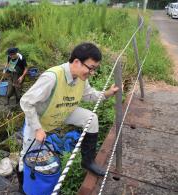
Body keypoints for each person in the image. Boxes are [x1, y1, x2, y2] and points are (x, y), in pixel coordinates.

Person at [19, 43, 119, 179]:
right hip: (40, 120)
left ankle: (88, 161)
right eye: (91, 68)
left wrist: (108, 93)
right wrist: (37, 129)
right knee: (28, 154)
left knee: (91, 118)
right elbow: (26, 102)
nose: (92, 73)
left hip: (63, 111)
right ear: (77, 62)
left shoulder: (81, 78)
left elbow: (89, 95)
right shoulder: (52, 77)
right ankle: (23, 183)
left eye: (94, 69)